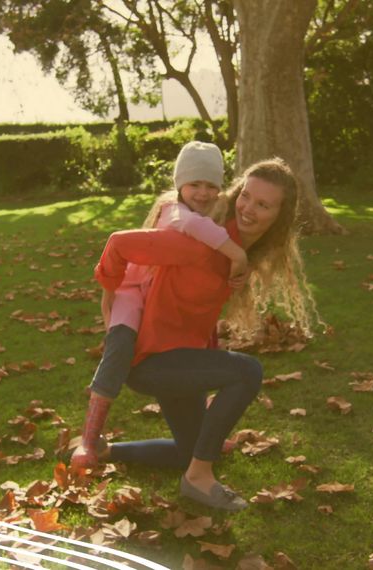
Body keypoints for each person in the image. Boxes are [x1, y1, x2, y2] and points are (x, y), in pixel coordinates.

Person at [85, 158, 320, 511]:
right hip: (152, 360)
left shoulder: (238, 251)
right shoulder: (204, 242)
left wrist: (208, 360)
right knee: (248, 371)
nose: (248, 208)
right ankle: (198, 479)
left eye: (263, 204)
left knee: (189, 449)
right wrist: (110, 302)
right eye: (246, 196)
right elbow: (119, 244)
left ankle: (108, 450)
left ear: (279, 217)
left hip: (179, 358)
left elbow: (199, 311)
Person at [70, 141, 249, 470]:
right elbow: (190, 229)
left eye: (211, 186)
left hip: (156, 298)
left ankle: (183, 438)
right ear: (180, 184)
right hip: (131, 292)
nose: (204, 193)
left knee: (202, 346)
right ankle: (88, 439)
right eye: (195, 184)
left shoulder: (200, 216)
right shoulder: (177, 213)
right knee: (120, 345)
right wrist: (237, 254)